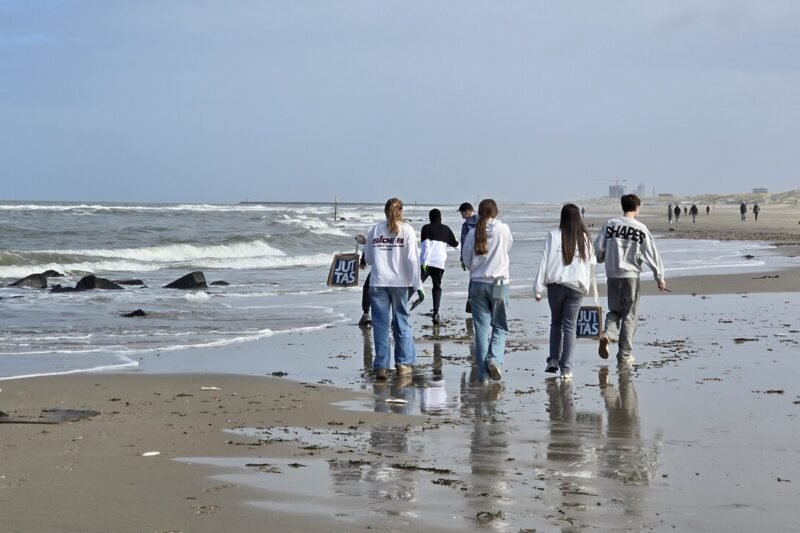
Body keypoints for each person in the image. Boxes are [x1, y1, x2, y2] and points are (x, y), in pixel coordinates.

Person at [595, 194, 667, 365]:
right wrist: (660, 277)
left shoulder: (610, 225)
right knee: (629, 315)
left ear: (622, 206)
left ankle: (608, 335)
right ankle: (624, 354)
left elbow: (597, 250)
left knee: (614, 311)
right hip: (631, 276)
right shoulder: (640, 228)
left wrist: (602, 257)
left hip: (612, 275)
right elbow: (652, 254)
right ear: (637, 208)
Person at [363, 198, 425, 380]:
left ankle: (381, 366)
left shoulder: (375, 229)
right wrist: (418, 285)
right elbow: (413, 260)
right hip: (400, 283)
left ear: (385, 211)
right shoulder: (407, 230)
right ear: (402, 211)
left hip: (379, 282)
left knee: (380, 325)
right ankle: (403, 364)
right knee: (401, 322)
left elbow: (368, 258)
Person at [534, 204, 596, 380]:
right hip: (576, 288)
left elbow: (544, 261)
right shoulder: (585, 238)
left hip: (556, 286)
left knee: (556, 323)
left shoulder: (553, 236)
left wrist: (538, 288)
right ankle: (566, 368)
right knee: (570, 326)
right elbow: (593, 263)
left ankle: (553, 359)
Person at [462, 199, 513, 383]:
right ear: (496, 212)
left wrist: (477, 268)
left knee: (481, 331)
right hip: (499, 283)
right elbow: (508, 248)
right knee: (499, 325)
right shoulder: (504, 230)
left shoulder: (473, 233)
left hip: (477, 284)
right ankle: (494, 359)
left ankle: (483, 375)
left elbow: (466, 260)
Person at [419, 208, 459, 324]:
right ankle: (436, 313)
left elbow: (426, 246)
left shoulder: (426, 228)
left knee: (415, 284)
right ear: (440, 218)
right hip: (439, 264)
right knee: (437, 287)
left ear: (430, 218)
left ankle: (402, 308)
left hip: (426, 263)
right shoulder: (446, 229)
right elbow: (456, 244)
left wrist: (425, 262)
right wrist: (465, 253)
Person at [458, 202, 479, 313]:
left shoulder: (466, 226)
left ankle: (471, 302)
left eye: (462, 213)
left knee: (473, 278)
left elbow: (464, 243)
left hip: (473, 255)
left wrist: (462, 259)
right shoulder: (482, 220)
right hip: (485, 254)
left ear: (467, 211)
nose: (462, 216)